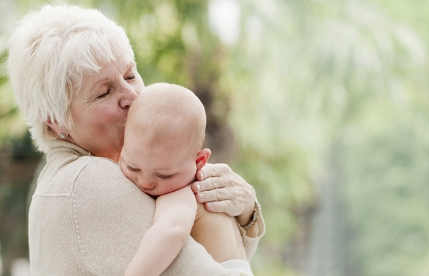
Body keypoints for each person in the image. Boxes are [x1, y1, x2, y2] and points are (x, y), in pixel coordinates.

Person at [6, 4, 264, 275]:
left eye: (130, 75)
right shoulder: (90, 182)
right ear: (56, 121)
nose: (132, 95)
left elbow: (209, 252)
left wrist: (246, 211)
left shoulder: (82, 176)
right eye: (104, 93)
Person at [121, 83, 252, 275]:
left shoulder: (188, 192)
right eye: (132, 166)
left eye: (164, 175)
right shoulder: (178, 174)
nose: (145, 182)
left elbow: (171, 232)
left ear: (199, 162)